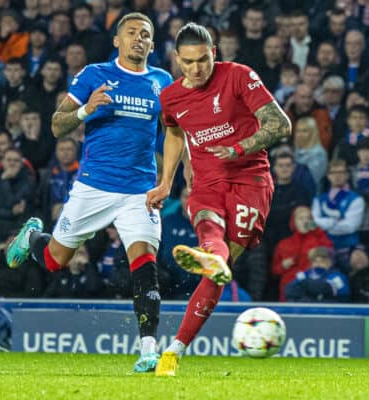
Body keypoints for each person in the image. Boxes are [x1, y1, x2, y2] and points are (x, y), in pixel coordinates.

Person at [5, 13, 173, 373]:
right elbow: (56, 125)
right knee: (54, 261)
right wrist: (86, 109)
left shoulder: (162, 81)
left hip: (139, 192)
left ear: (153, 44)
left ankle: (148, 351)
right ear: (117, 41)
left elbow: (172, 136)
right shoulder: (94, 75)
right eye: (131, 33)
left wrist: (168, 180)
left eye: (146, 34)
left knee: (144, 265)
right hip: (93, 187)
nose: (139, 39)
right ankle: (33, 235)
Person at [146, 23, 291, 376]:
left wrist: (238, 148)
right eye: (189, 63)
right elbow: (175, 132)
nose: (197, 70)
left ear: (215, 52)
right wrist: (166, 181)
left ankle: (177, 347)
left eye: (203, 61)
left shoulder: (239, 76)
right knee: (209, 231)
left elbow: (281, 125)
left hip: (250, 181)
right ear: (177, 59)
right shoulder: (171, 97)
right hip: (207, 180)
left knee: (219, 269)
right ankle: (172, 355)